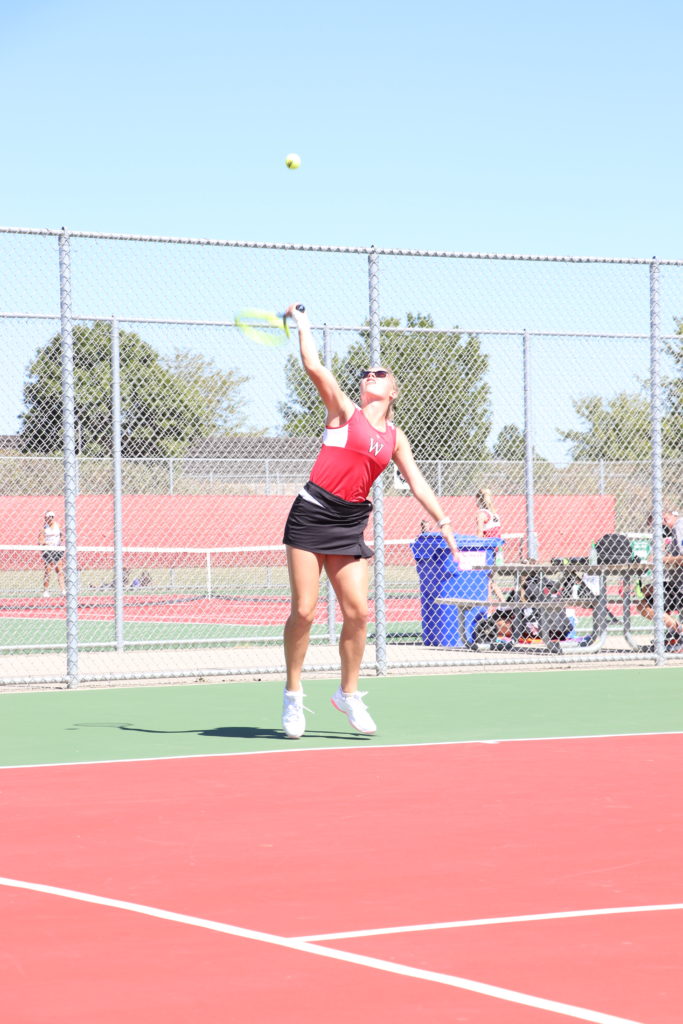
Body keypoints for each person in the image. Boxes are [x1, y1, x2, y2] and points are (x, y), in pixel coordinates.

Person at [281, 303, 460, 739]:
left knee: (358, 613)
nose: (369, 375)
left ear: (393, 391)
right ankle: (292, 696)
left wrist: (445, 523)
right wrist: (303, 322)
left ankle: (349, 695)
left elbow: (417, 483)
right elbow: (313, 365)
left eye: (379, 374)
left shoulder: (395, 438)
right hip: (310, 515)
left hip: (349, 523)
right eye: (366, 373)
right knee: (304, 611)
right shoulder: (345, 412)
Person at [636, 509, 683, 649]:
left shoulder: (679, 526)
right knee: (645, 590)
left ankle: (678, 630)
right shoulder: (675, 530)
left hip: (680, 586)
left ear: (664, 520)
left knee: (643, 606)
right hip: (675, 582)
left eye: (655, 527)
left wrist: (661, 559)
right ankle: (674, 631)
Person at [475, 487, 505, 607]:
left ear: (478, 499)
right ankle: (504, 603)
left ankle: (486, 610)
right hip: (498, 550)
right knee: (490, 580)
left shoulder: (482, 514)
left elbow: (480, 533)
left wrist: (476, 546)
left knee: (485, 581)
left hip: (488, 550)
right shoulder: (494, 513)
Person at [39, 510, 66, 597]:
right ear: (45, 518)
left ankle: (63, 590)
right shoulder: (44, 528)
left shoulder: (58, 526)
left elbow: (62, 535)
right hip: (48, 550)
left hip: (57, 550)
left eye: (52, 517)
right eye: (48, 517)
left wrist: (61, 539)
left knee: (59, 570)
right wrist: (46, 543)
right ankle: (46, 590)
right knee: (48, 570)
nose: (50, 519)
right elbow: (40, 540)